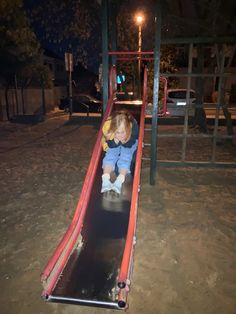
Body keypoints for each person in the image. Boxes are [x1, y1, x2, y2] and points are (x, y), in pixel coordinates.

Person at [101, 110, 138, 194]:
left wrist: (125, 140)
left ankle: (119, 180)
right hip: (115, 139)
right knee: (110, 154)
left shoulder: (133, 127)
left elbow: (131, 142)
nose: (120, 134)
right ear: (114, 131)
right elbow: (110, 144)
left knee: (126, 156)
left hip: (129, 141)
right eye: (117, 132)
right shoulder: (109, 127)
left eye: (122, 132)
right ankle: (105, 179)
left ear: (127, 130)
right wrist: (115, 141)